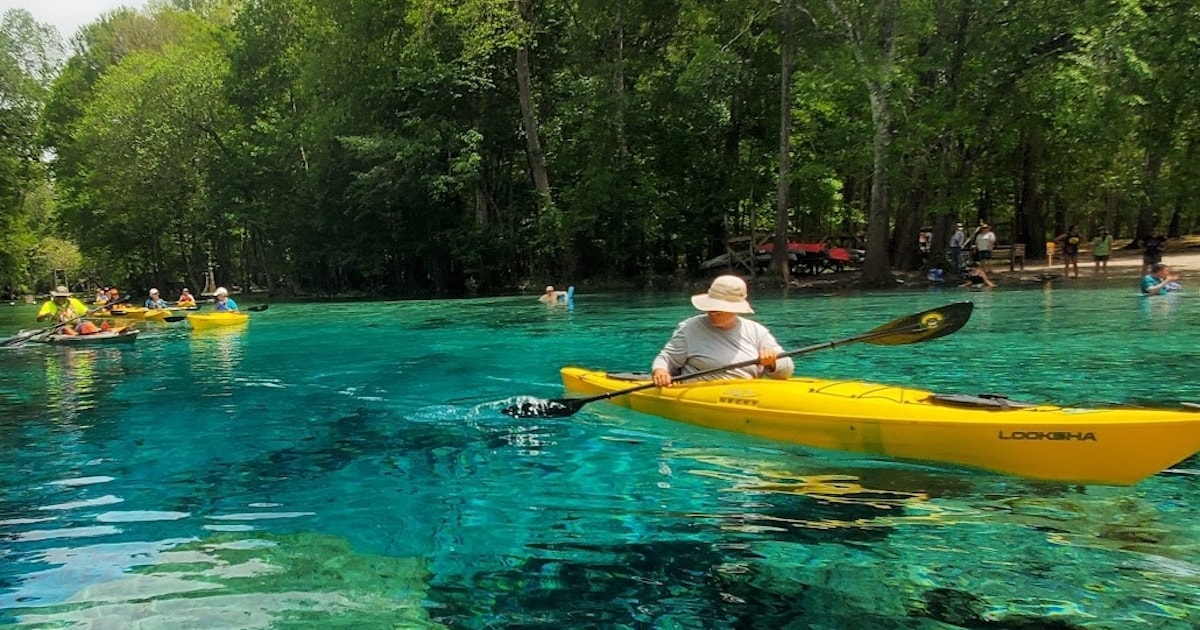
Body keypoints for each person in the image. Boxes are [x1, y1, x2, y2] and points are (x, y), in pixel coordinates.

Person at [650, 275, 794, 387]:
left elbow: (787, 369)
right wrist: (660, 371)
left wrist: (773, 363)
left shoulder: (757, 331)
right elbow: (666, 359)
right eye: (711, 307)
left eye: (719, 309)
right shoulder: (689, 328)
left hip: (750, 392)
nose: (713, 312)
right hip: (704, 392)